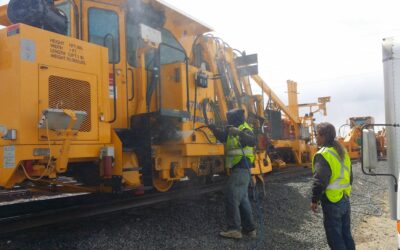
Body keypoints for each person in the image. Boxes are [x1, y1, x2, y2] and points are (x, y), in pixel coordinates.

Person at [209, 108, 257, 239]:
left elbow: (253, 141)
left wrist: (240, 133)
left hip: (242, 167)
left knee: (231, 195)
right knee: (242, 199)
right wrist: (213, 128)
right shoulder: (233, 128)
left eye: (229, 119)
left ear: (235, 119)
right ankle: (250, 228)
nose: (228, 121)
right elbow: (223, 137)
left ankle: (234, 229)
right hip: (240, 168)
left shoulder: (243, 128)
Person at [311, 122, 355, 250]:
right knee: (346, 235)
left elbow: (319, 181)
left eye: (317, 135)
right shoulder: (342, 152)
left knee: (335, 238)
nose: (315, 138)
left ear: (323, 136)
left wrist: (314, 200)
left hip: (331, 201)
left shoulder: (323, 154)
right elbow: (350, 177)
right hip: (344, 199)